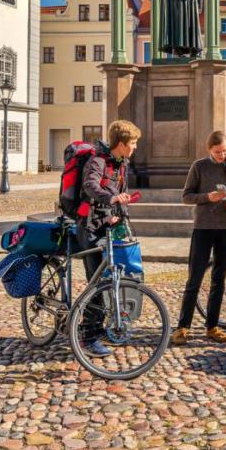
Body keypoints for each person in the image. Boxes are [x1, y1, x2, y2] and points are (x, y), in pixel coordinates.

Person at [78, 119, 141, 356]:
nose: (135, 148)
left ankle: (102, 326)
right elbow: (90, 186)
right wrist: (111, 199)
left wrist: (120, 215)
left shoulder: (121, 163)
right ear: (122, 144)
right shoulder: (97, 161)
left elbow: (120, 192)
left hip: (110, 226)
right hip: (91, 228)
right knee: (97, 283)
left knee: (113, 277)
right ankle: (87, 335)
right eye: (133, 143)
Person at [171, 131, 226, 345]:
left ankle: (212, 326)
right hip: (203, 228)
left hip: (225, 228)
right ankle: (183, 326)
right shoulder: (199, 166)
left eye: (225, 151)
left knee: (219, 280)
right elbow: (186, 197)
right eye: (218, 152)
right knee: (195, 278)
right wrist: (207, 198)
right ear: (209, 150)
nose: (222, 155)